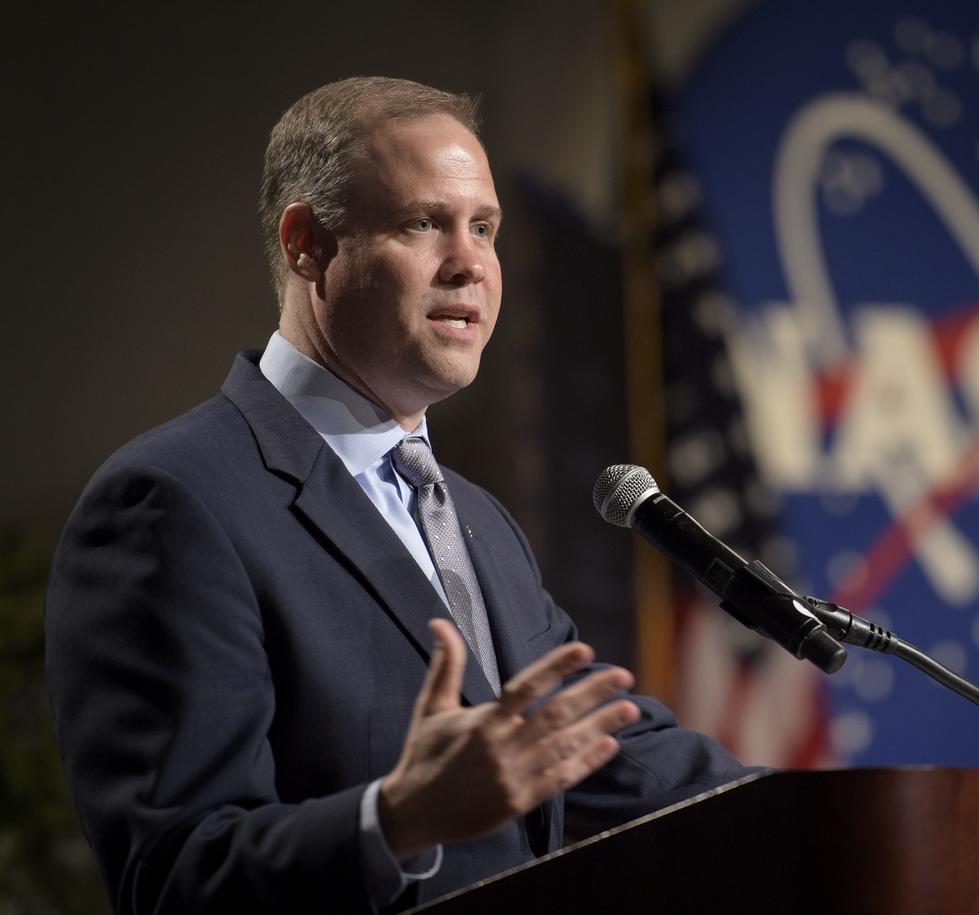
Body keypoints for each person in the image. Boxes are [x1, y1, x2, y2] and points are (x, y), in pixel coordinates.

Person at [45, 76, 749, 914]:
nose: (471, 264)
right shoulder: (171, 503)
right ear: (307, 244)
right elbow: (173, 878)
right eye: (424, 223)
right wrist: (395, 820)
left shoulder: (478, 520)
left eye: (483, 227)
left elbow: (604, 750)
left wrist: (847, 811)